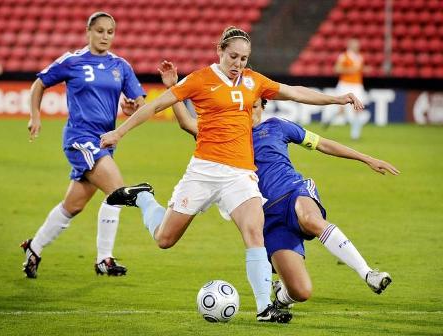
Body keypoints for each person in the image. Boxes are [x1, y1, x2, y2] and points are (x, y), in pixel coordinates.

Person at [100, 27, 364, 322]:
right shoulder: (200, 79)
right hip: (203, 170)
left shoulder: (254, 81)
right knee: (165, 239)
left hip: (240, 173)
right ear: (220, 52)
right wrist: (119, 132)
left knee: (254, 233)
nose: (238, 63)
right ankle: (144, 198)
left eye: (244, 58)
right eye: (233, 56)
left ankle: (265, 307)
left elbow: (294, 92)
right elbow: (158, 105)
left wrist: (337, 99)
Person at [157, 62, 399, 312]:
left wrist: (367, 158)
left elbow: (323, 144)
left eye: (251, 107)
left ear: (262, 104)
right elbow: (187, 123)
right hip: (267, 216)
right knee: (301, 291)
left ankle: (368, 272)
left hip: (293, 190)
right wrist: (173, 88)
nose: (245, 113)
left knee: (310, 219)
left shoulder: (278, 126)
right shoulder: (221, 134)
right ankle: (282, 296)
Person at [21, 12, 146, 278]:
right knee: (117, 191)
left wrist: (130, 106)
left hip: (104, 142)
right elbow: (39, 84)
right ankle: (104, 259)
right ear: (88, 31)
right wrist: (35, 115)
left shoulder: (120, 66)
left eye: (110, 32)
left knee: (73, 206)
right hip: (80, 138)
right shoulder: (73, 61)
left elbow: (140, 104)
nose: (105, 37)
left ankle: (34, 247)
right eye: (100, 31)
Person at [324, 38, 369, 140]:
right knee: (341, 109)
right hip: (345, 85)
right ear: (350, 45)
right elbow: (337, 69)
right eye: (354, 44)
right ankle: (329, 120)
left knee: (358, 108)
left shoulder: (360, 57)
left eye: (357, 44)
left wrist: (364, 69)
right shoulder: (344, 56)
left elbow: (359, 70)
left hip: (357, 85)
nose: (357, 46)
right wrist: (351, 70)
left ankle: (355, 135)